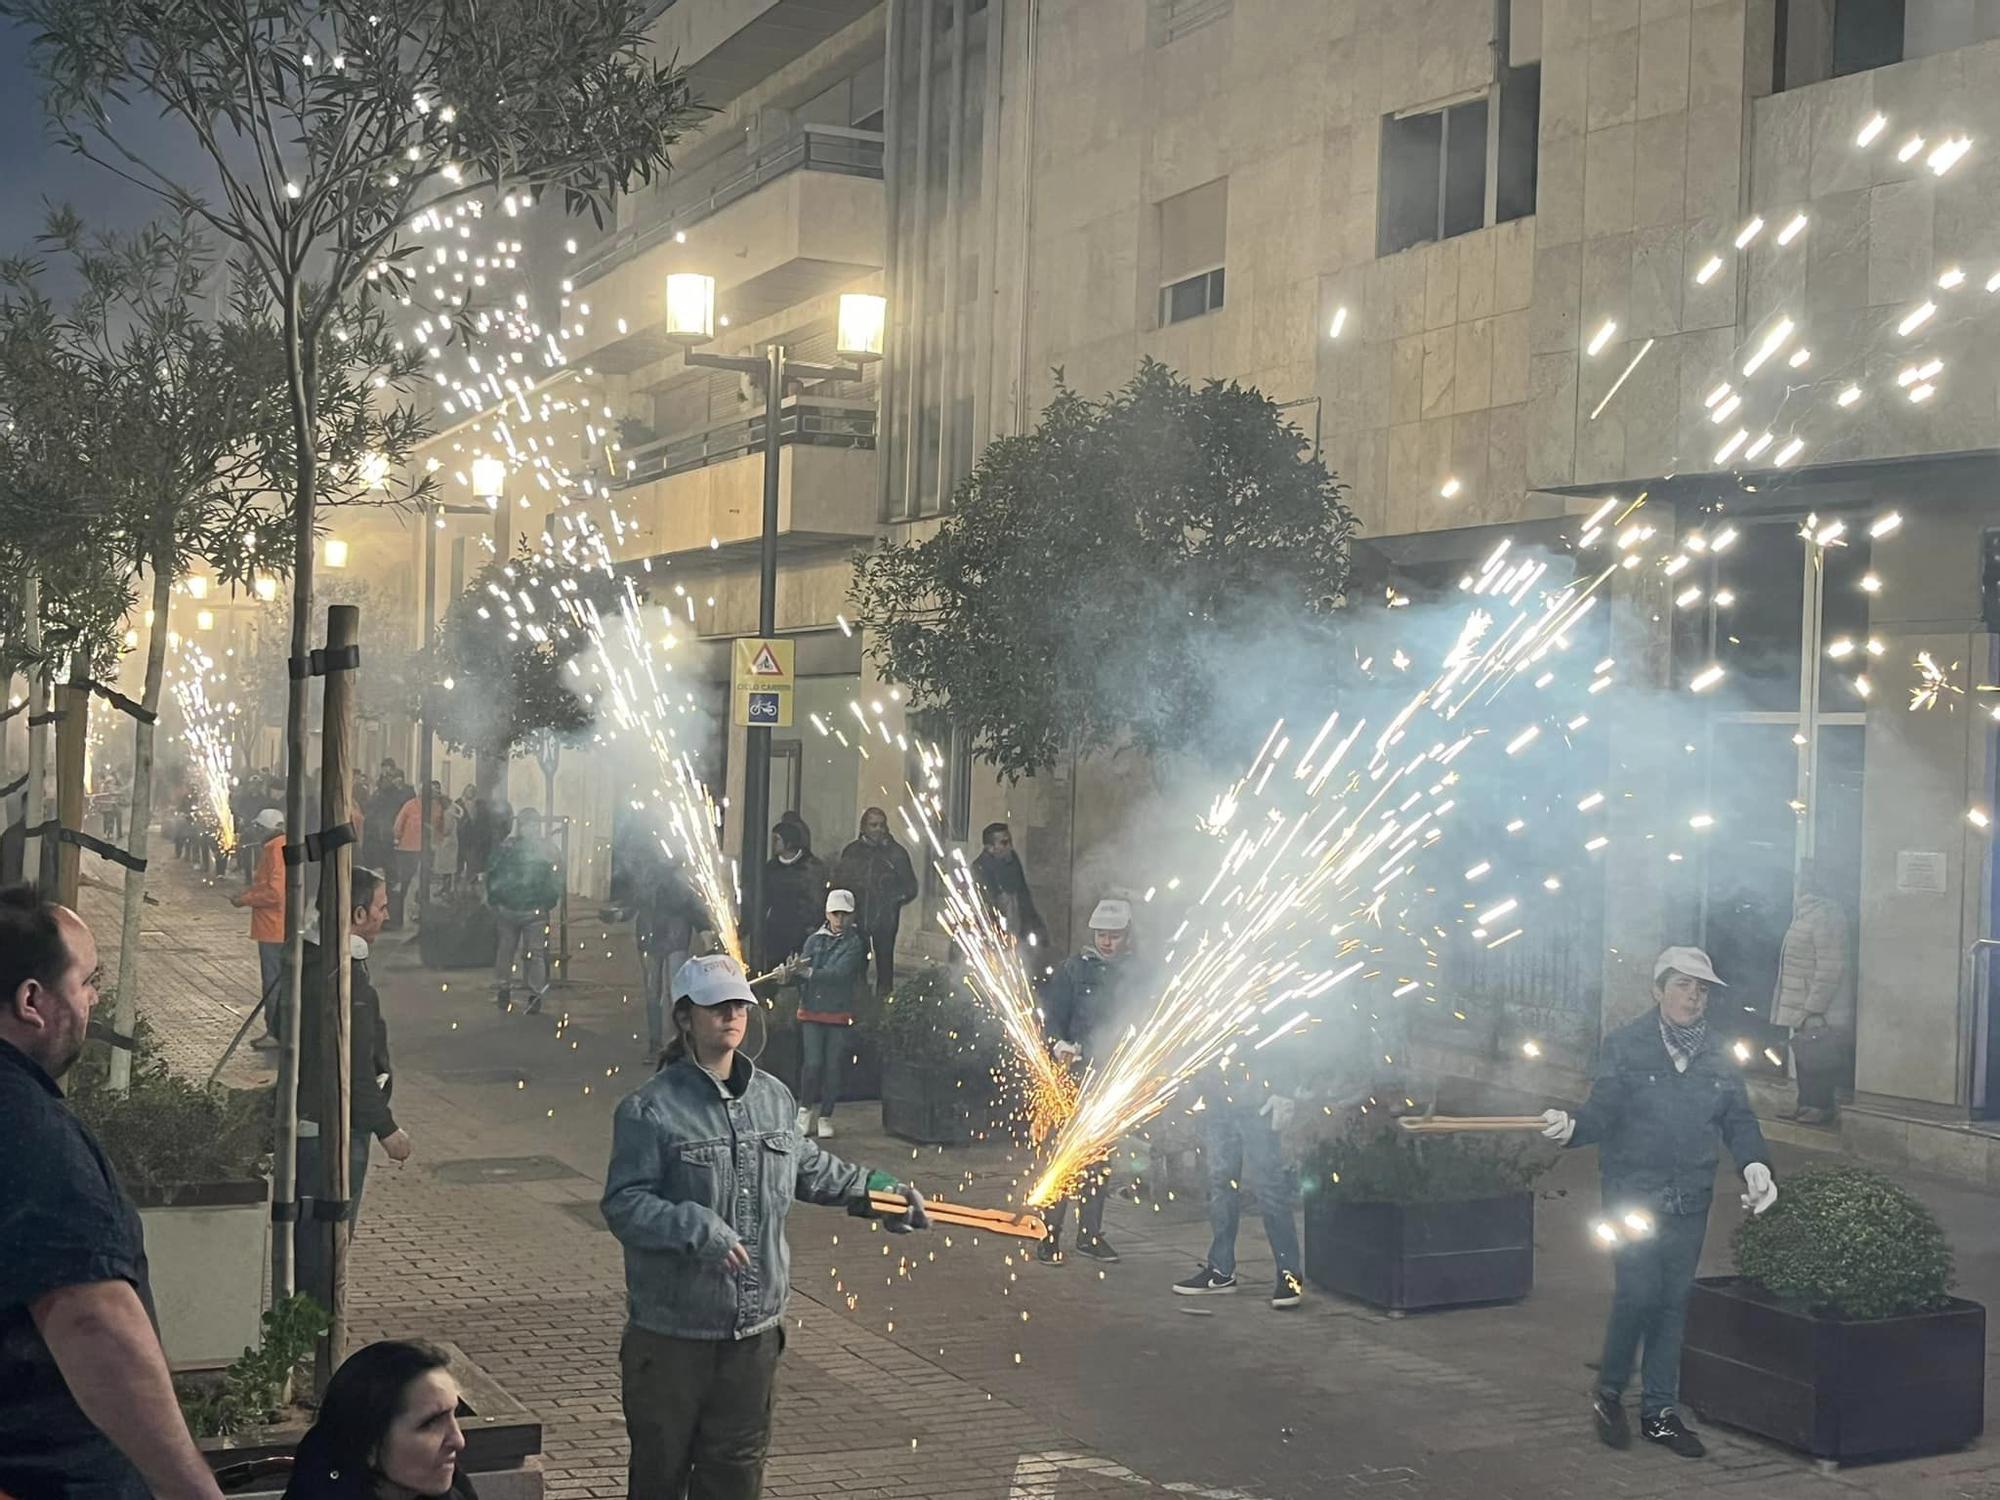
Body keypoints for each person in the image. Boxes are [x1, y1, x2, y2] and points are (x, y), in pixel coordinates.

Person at [601, 954, 929, 1500]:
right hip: (674, 1336)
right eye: (716, 1007)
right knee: (660, 1474)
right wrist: (695, 1226)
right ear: (686, 1018)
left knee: (735, 1475)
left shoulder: (773, 1099)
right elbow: (624, 1204)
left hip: (752, 1336)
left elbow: (810, 1168)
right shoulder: (649, 1110)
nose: (731, 1015)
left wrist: (880, 1191)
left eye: (739, 1006)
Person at [0, 885, 225, 1500]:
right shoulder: (29, 1131)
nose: (93, 999)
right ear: (31, 1001)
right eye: (87, 981)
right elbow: (92, 1321)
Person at [1539, 946, 1779, 1460]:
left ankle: (1659, 1413)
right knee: (1639, 1293)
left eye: (1701, 989)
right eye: (1682, 986)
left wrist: (1754, 1163)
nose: (1693, 997)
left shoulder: (1717, 1052)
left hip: (1690, 1196)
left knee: (1673, 1301)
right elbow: (1601, 1111)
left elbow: (1738, 1118)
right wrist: (1573, 1128)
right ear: (1658, 990)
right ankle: (1609, 1392)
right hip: (1633, 1193)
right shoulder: (1626, 1046)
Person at [295, 866, 413, 1305]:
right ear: (359, 913)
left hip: (320, 1123)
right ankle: (317, 1333)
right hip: (334, 1129)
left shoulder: (318, 960)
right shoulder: (341, 975)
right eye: (381, 907)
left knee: (316, 1239)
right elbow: (352, 1066)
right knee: (327, 1242)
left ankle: (311, 1327)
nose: (387, 914)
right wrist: (388, 1130)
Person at [1038, 897, 1147, 1265]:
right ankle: (1049, 1235)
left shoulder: (1137, 975)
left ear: (1126, 936)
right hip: (1074, 1078)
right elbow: (1052, 1017)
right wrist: (1058, 1045)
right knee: (1063, 1156)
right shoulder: (1073, 970)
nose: (1106, 942)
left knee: (1098, 1160)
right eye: (1101, 935)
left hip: (1109, 1079)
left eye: (1113, 936)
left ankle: (1089, 1235)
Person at [1171, 1046, 1306, 1310]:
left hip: (1259, 1103)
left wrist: (1284, 1090)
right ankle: (1221, 1271)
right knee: (1221, 1185)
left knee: (1269, 1188)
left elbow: (1283, 1029)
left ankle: (1289, 1274)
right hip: (1219, 1104)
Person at [283, 1340, 474, 1499]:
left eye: (454, 1414)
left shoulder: (450, 1485)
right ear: (367, 1445)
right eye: (430, 1423)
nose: (458, 1441)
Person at [1771, 860, 1854, 1124]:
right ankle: (1805, 1104)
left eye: (1804, 877)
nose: (1798, 882)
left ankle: (1820, 1107)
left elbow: (1831, 966)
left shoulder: (1827, 914)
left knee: (1818, 1057)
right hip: (1802, 1002)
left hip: (1815, 1005)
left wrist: (1814, 1007)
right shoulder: (1807, 912)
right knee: (1806, 1055)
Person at [787, 888, 870, 1139]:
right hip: (811, 1009)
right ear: (827, 913)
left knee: (834, 1066)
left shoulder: (854, 944)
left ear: (852, 916)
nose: (840, 919)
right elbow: (805, 967)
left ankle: (826, 1115)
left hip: (838, 1012)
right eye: (836, 913)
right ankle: (804, 1111)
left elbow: (840, 974)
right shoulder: (813, 940)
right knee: (812, 1064)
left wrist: (808, 973)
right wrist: (791, 973)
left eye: (845, 914)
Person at [831, 807, 919, 998]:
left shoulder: (896, 854)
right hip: (857, 917)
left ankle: (883, 1003)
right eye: (873, 825)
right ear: (864, 827)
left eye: (882, 825)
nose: (879, 829)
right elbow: (840, 884)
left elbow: (911, 887)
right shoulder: (852, 852)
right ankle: (859, 1004)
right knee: (857, 962)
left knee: (885, 963)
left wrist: (892, 899)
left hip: (885, 919)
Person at [486, 807, 564, 1015]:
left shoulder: (507, 847)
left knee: (510, 951)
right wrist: (549, 900)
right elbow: (556, 877)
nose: (530, 829)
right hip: (526, 909)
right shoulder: (546, 849)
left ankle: (508, 989)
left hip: (517, 908)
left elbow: (492, 873)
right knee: (530, 953)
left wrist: (496, 899)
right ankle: (532, 993)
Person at [233, 807, 289, 1050]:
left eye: (258, 828)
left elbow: (274, 893)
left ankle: (275, 1032)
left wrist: (245, 900)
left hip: (272, 928)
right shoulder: (283, 846)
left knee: (273, 983)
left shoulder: (274, 850)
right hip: (280, 925)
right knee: (279, 981)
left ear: (265, 829)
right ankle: (281, 1030)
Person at [971, 822, 1048, 964]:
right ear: (990, 848)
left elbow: (1024, 896)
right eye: (1004, 843)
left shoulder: (1012, 860)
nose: (1010, 846)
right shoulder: (979, 868)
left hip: (1019, 932)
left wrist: (1037, 926)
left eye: (1010, 841)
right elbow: (985, 910)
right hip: (995, 937)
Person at [757, 819, 826, 976]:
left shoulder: (812, 867)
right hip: (776, 930)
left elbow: (817, 901)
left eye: (777, 839)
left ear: (789, 842)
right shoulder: (770, 868)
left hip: (802, 932)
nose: (772, 843)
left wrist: (812, 926)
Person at [391, 782, 424, 929]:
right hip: (408, 849)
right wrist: (397, 838)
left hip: (425, 850)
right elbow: (399, 824)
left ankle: (417, 913)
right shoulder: (410, 805)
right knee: (405, 883)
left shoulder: (435, 807)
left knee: (422, 883)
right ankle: (399, 916)